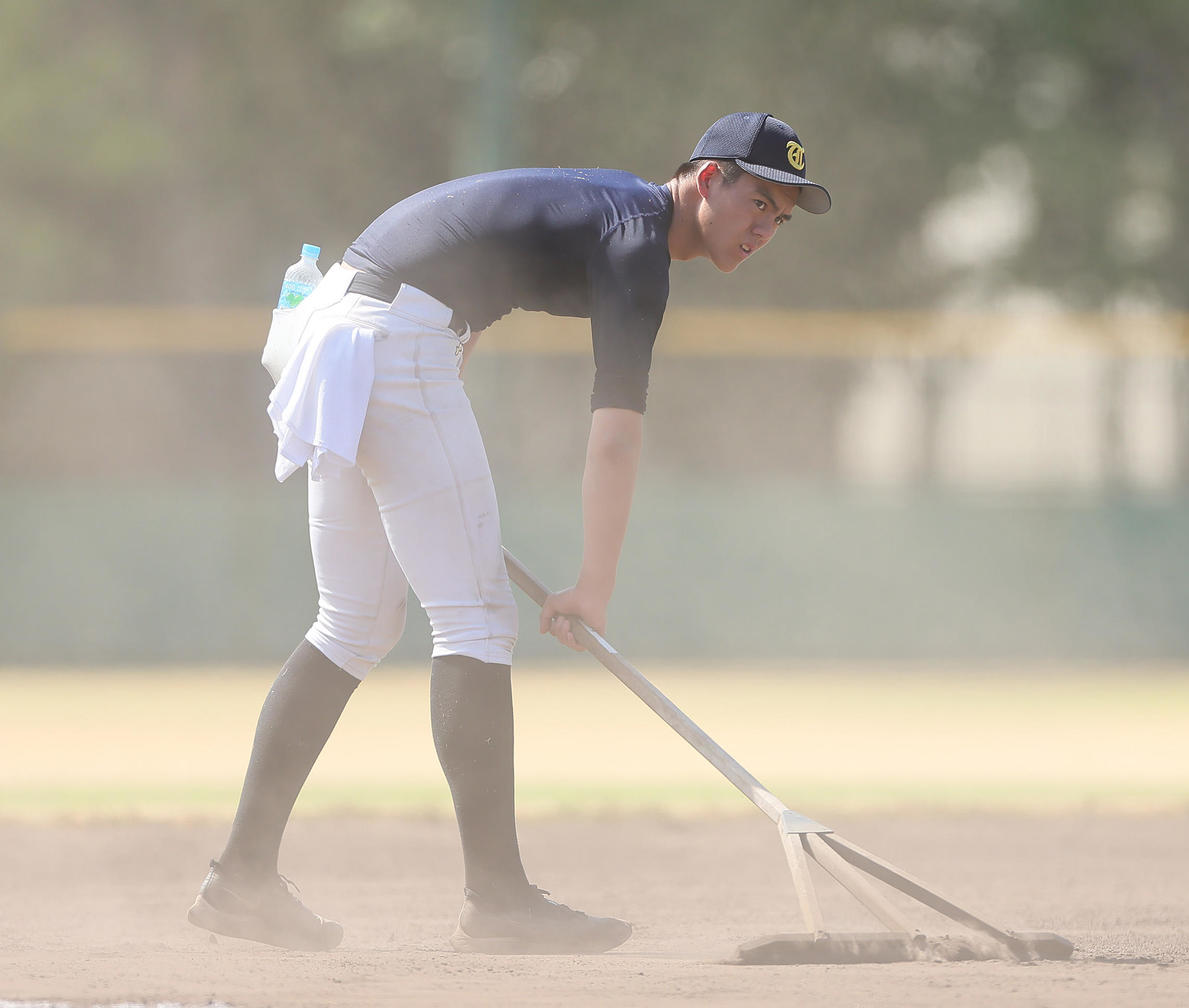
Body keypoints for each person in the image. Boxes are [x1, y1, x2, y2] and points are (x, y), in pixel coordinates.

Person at [187, 112, 831, 956]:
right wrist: (592, 585)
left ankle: (242, 877)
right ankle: (497, 900)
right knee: (476, 622)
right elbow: (617, 434)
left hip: (341, 325)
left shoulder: (614, 213)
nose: (765, 229)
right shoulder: (639, 244)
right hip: (388, 339)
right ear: (707, 179)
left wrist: (459, 343)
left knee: (354, 623)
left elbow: (484, 247)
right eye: (758, 201)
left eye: (780, 218)